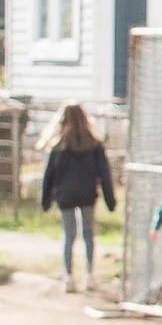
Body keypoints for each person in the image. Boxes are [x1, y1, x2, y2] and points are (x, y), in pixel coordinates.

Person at [39, 103, 115, 290]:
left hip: (65, 196)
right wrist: (109, 199)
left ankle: (69, 277)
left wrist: (45, 199)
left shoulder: (58, 145)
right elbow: (104, 174)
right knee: (88, 233)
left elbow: (48, 175)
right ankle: (89, 274)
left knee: (69, 235)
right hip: (87, 194)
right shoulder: (94, 144)